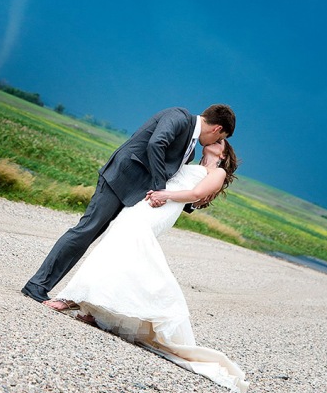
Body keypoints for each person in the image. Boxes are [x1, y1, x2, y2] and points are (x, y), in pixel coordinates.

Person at [48, 139, 248, 393]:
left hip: (163, 207)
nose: (214, 140)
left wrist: (165, 195)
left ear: (223, 154)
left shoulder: (217, 172)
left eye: (220, 141)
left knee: (130, 244)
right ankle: (96, 309)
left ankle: (73, 298)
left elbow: (196, 195)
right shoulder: (192, 162)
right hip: (150, 202)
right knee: (119, 246)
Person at [21, 104, 236, 304]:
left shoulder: (190, 149)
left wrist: (190, 202)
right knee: (85, 231)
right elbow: (156, 143)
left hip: (135, 195)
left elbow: (177, 179)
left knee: (100, 238)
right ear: (217, 129)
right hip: (120, 180)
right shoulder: (178, 117)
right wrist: (159, 187)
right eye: (221, 137)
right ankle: (37, 285)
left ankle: (78, 295)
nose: (215, 142)